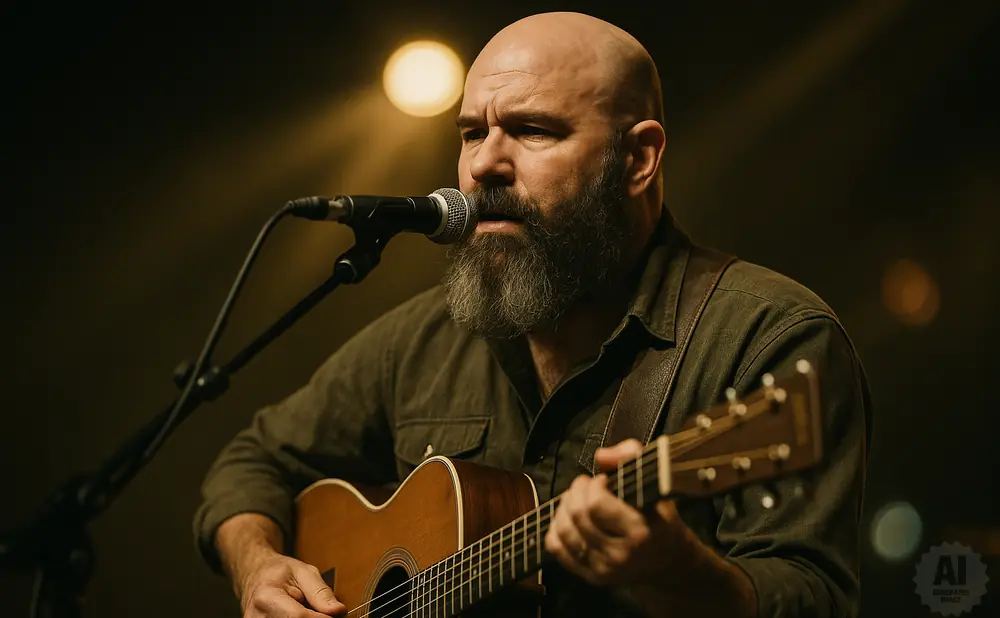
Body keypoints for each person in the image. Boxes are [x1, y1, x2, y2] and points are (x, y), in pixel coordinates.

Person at [194, 11, 870, 618]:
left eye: (532, 130)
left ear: (637, 159)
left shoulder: (766, 338)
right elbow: (251, 463)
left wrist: (681, 577)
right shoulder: (426, 338)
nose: (484, 163)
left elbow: (814, 599)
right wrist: (258, 564)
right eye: (470, 133)